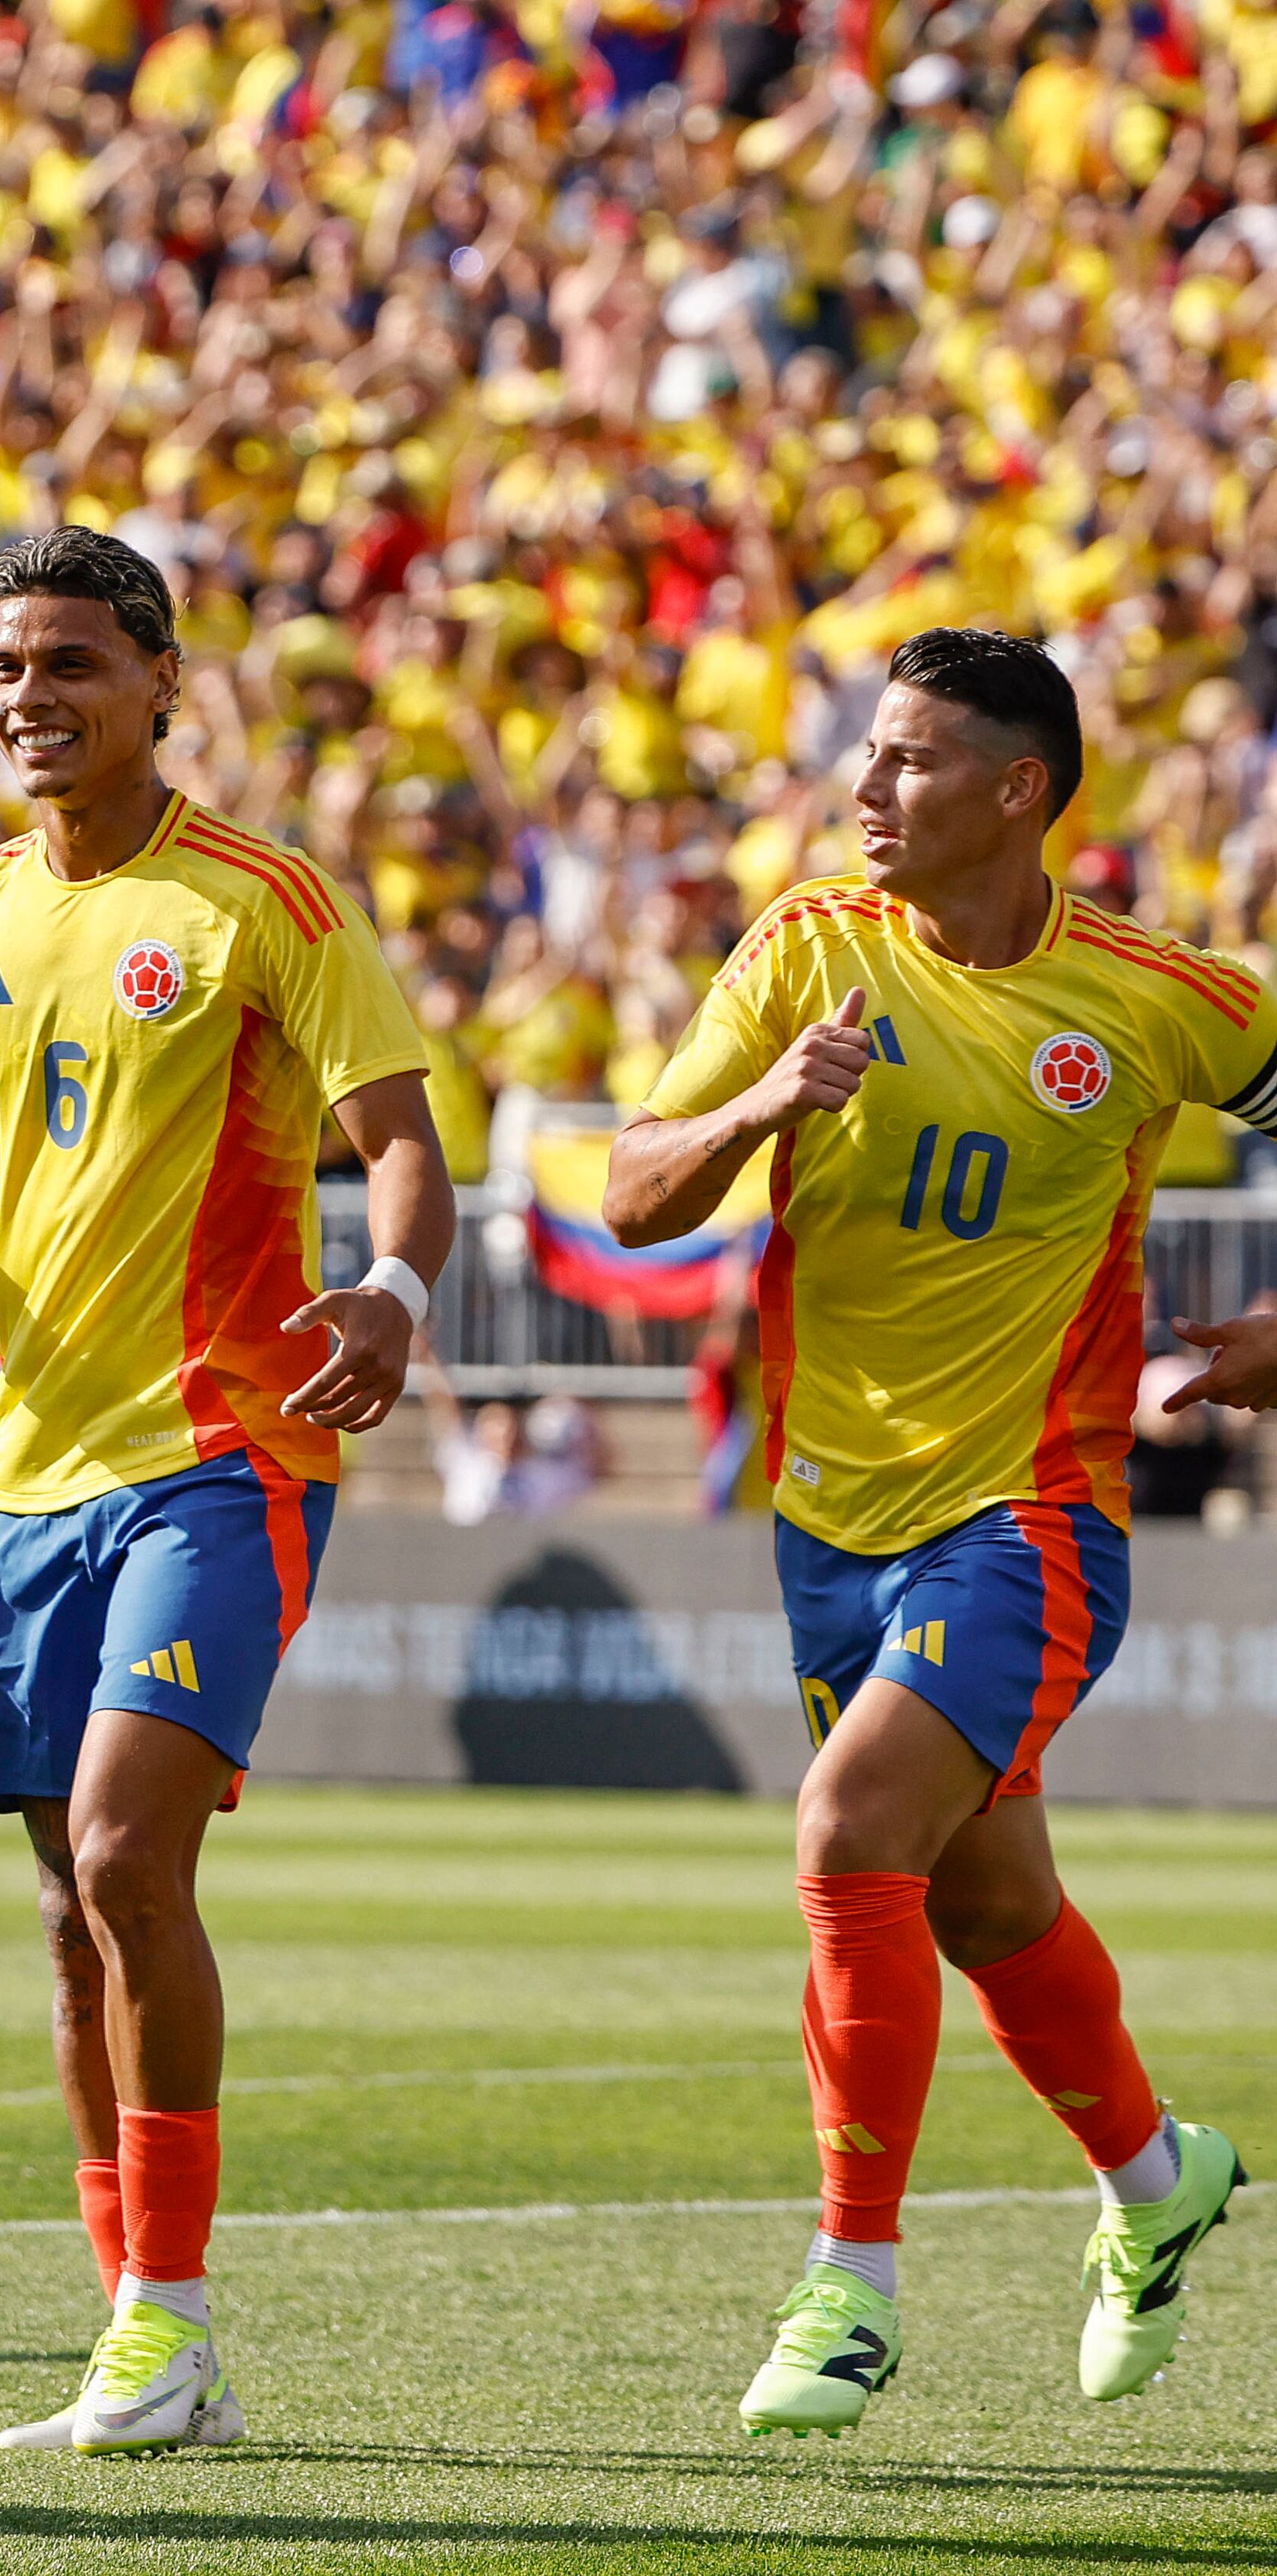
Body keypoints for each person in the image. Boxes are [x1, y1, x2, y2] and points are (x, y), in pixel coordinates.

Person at [0, 529, 453, 2459]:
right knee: (61, 1911)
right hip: (33, 1473)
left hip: (222, 1447)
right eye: (4, 669)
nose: (29, 698)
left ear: (159, 685)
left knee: (127, 1855)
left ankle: (171, 2319)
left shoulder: (256, 902)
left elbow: (401, 1138)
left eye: (69, 667)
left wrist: (391, 1283)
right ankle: (134, 2328)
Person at [609, 628, 1266, 2438]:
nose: (862, 789)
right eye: (863, 756)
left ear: (1016, 791)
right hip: (827, 1525)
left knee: (846, 1830)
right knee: (983, 1903)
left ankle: (850, 2282)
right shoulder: (806, 951)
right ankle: (1156, 2180)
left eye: (904, 760)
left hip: (1033, 1513)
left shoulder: (1154, 996)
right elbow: (629, 1188)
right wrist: (756, 1107)